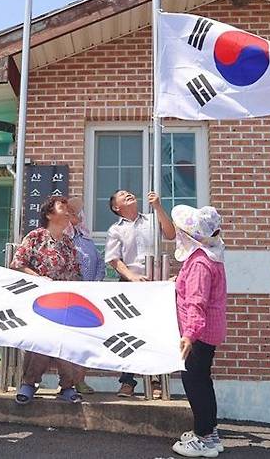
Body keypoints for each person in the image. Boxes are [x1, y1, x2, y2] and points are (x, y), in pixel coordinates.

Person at [10, 195, 85, 405]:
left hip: (65, 301)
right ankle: (29, 383)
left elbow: (76, 272)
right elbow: (17, 264)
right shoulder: (35, 237)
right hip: (39, 300)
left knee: (65, 342)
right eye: (62, 206)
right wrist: (39, 278)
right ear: (49, 214)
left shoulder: (69, 243)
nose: (68, 210)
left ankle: (67, 386)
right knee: (40, 341)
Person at [104, 189, 176, 398]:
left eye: (129, 193)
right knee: (129, 333)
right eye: (122, 195)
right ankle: (127, 381)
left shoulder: (152, 219)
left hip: (156, 281)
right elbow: (113, 259)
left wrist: (158, 206)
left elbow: (170, 234)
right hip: (130, 284)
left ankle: (156, 380)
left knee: (155, 332)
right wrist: (132, 277)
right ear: (116, 207)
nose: (128, 194)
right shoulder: (116, 230)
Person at [171, 205, 227, 458]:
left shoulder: (199, 263)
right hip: (209, 331)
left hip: (199, 334)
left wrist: (189, 334)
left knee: (194, 383)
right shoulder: (211, 254)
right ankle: (210, 434)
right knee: (203, 381)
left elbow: (197, 300)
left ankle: (203, 438)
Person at [66, 197, 105, 395]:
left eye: (78, 212)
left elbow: (100, 263)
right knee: (66, 341)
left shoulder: (86, 238)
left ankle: (80, 379)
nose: (77, 215)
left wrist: (95, 285)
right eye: (72, 212)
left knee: (84, 341)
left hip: (88, 297)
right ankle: (65, 381)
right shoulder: (62, 238)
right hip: (67, 297)